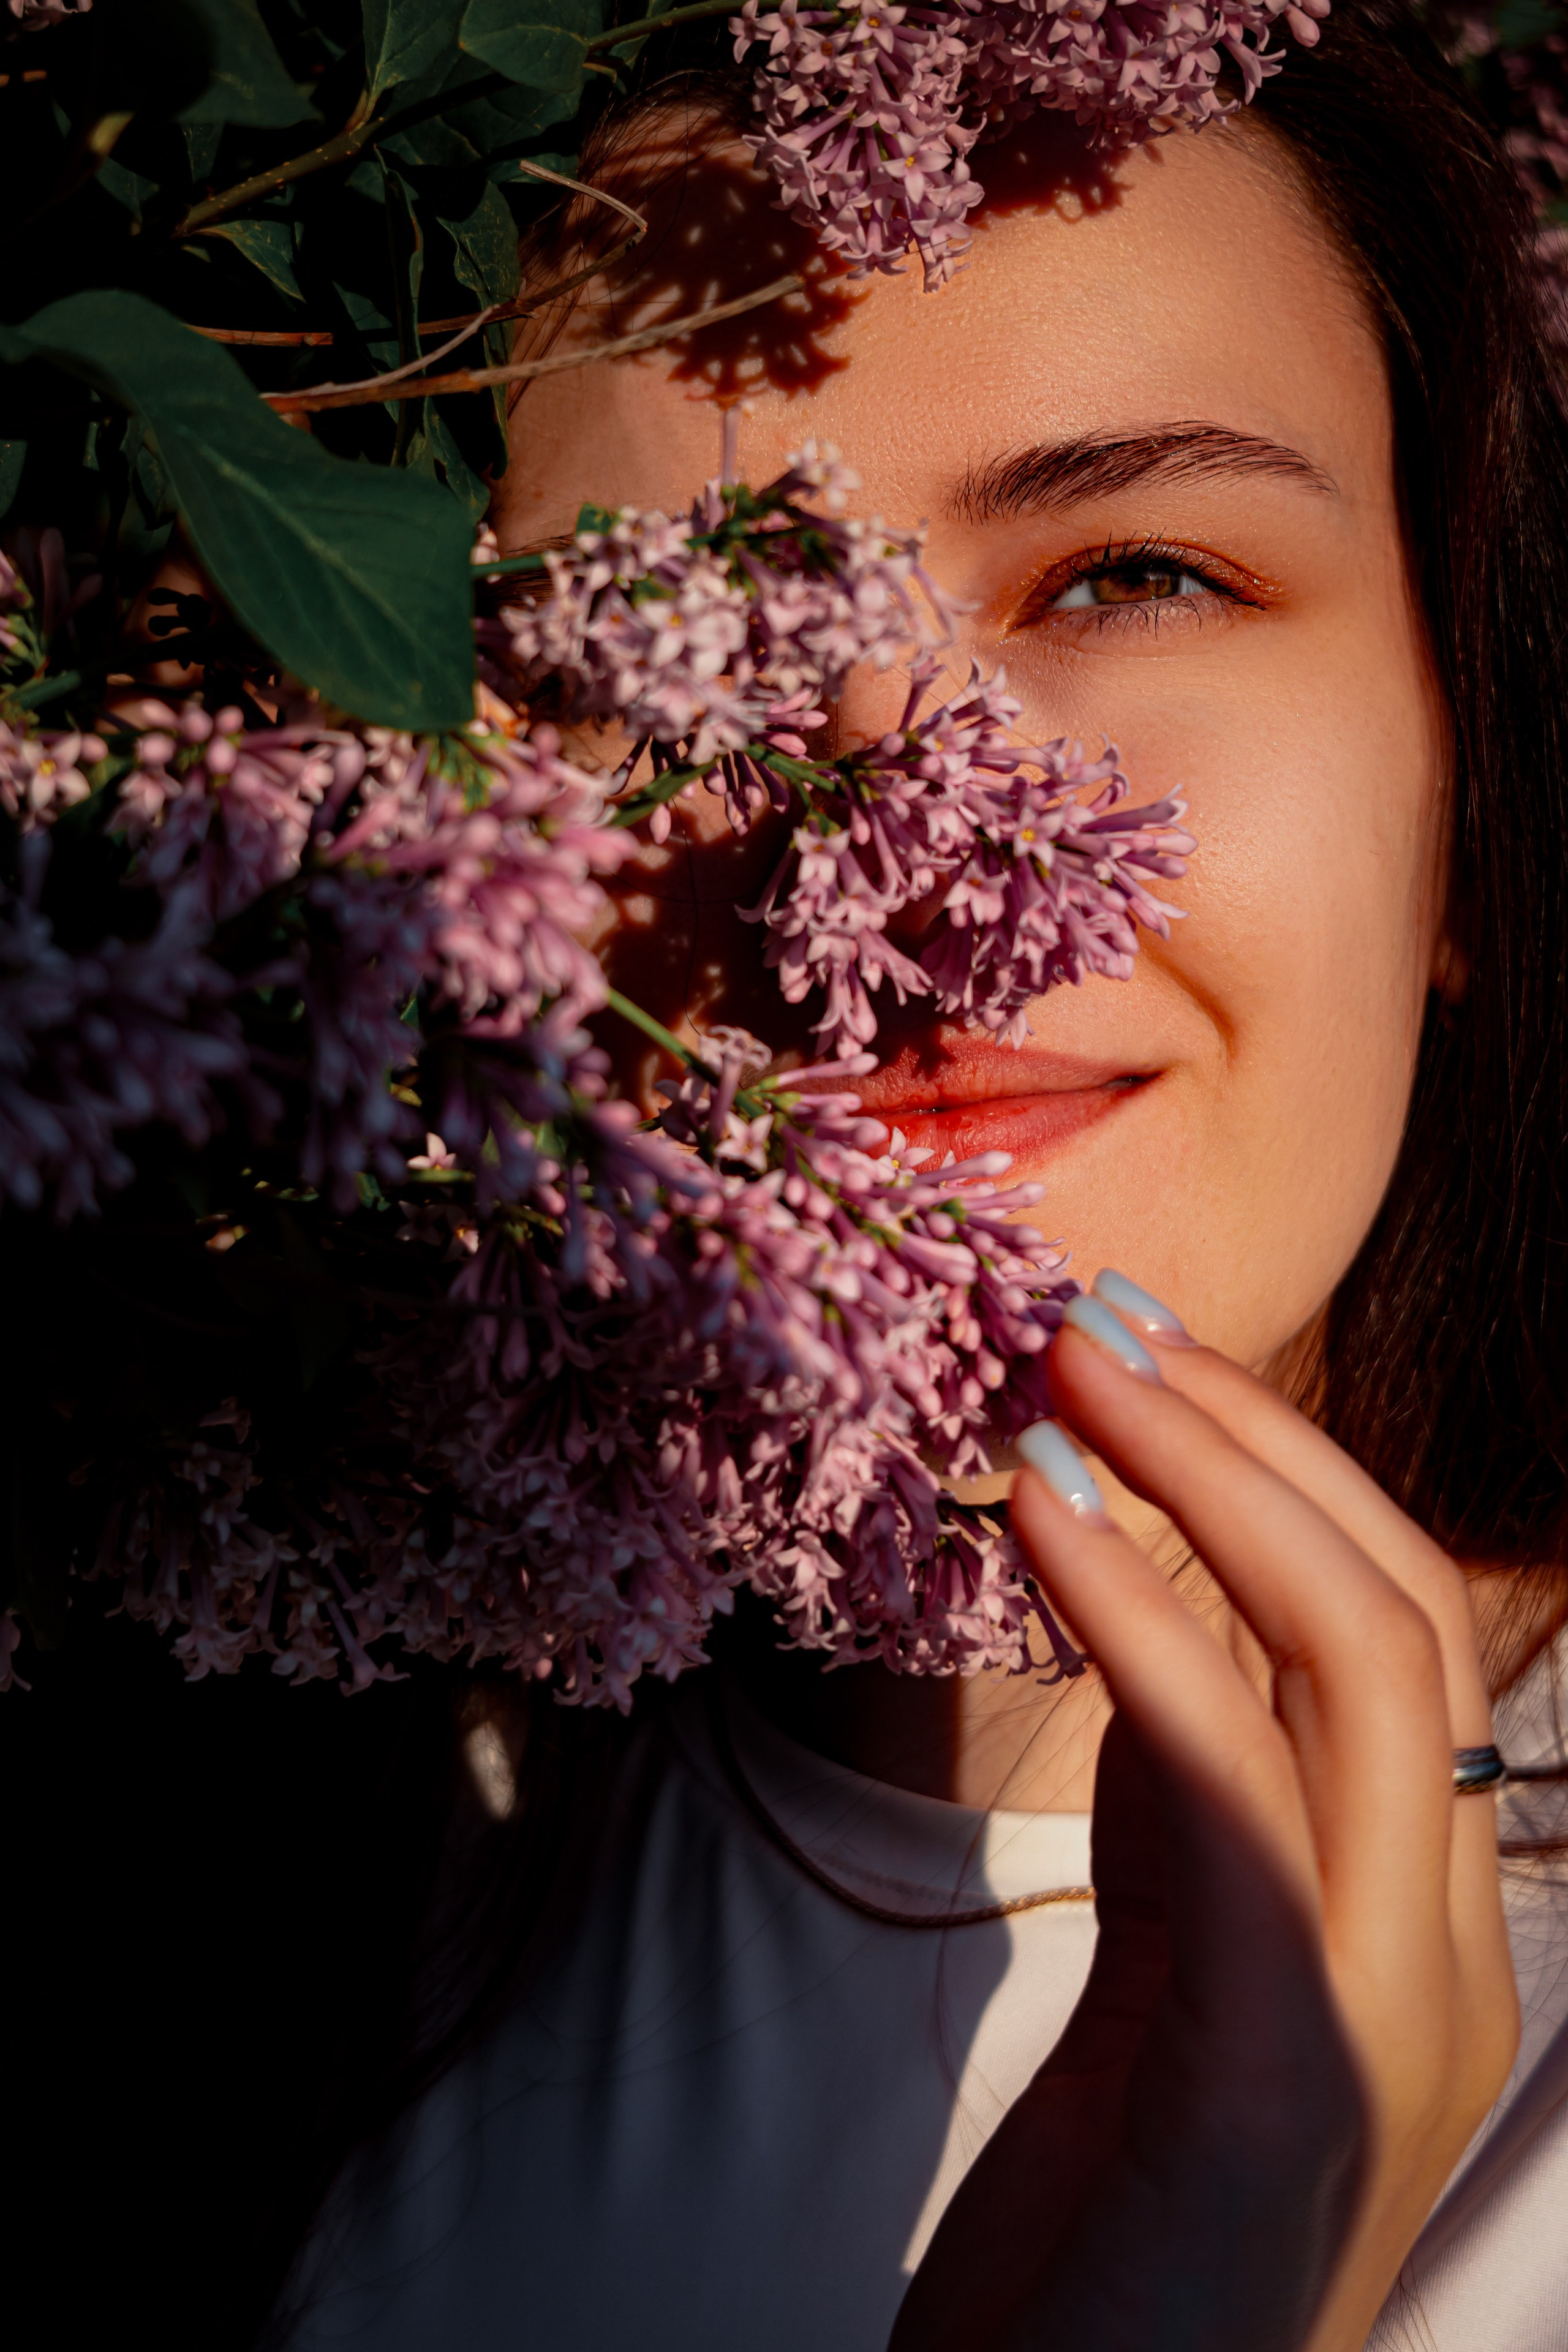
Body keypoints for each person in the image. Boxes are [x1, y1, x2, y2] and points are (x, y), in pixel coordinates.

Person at [151, 2, 1568, 2345]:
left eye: (1134, 578)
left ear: (1468, 801)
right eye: (642, 662)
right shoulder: (237, 1897)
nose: (910, 860)